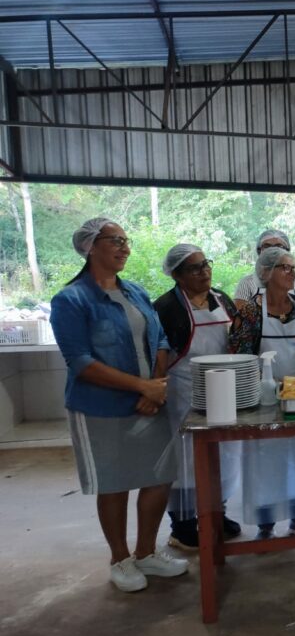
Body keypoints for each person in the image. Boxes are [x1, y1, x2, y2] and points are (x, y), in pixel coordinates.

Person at [50, 218, 187, 593]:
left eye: (126, 240)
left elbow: (159, 341)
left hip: (150, 403)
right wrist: (141, 386)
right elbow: (79, 360)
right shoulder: (71, 299)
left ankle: (146, 553)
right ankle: (120, 559)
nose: (124, 247)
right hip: (100, 408)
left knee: (158, 478)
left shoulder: (137, 292)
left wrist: (155, 387)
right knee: (115, 484)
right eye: (115, 240)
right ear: (90, 246)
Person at [229, 247, 295, 540]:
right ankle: (265, 525)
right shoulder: (249, 312)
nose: (292, 273)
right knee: (265, 462)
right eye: (285, 268)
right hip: (264, 398)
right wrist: (265, 386)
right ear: (266, 272)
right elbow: (240, 354)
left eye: (293, 268)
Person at [153, 244, 243, 550]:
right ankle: (182, 524)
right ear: (177, 275)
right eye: (195, 268)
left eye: (206, 264)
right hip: (184, 390)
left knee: (225, 455)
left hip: (224, 387)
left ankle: (217, 512)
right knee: (185, 459)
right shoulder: (166, 307)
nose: (205, 271)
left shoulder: (222, 299)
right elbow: (159, 353)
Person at [233, 230, 295, 309]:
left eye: (279, 246)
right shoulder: (247, 283)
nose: (273, 250)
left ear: (287, 252)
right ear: (259, 252)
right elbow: (240, 317)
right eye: (266, 246)